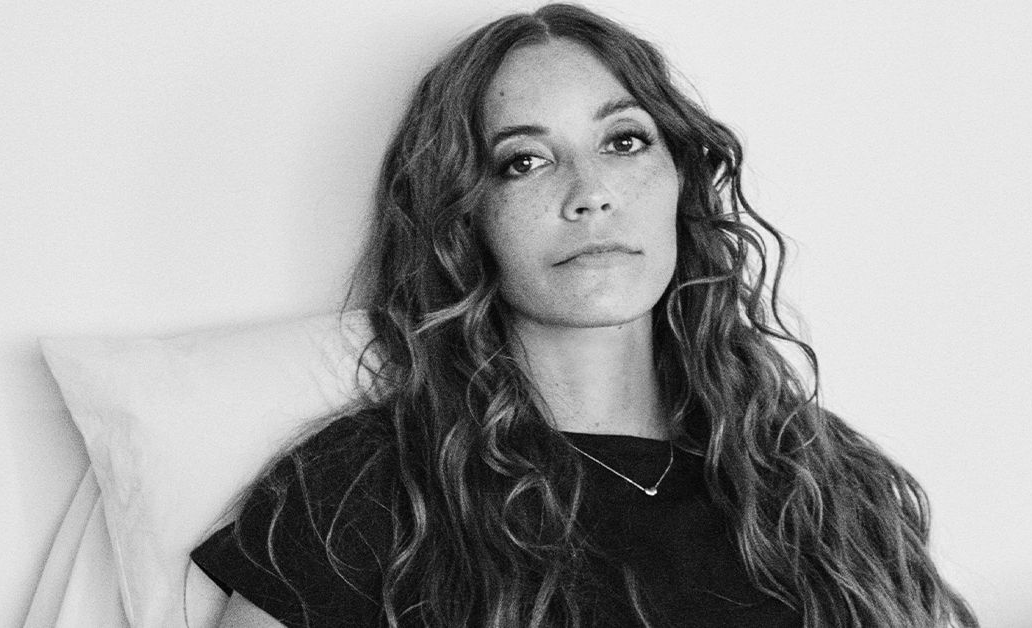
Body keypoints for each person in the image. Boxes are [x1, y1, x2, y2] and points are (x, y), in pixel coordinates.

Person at [190, 4, 978, 627]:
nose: (590, 192)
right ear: (465, 219)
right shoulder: (369, 491)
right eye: (524, 161)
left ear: (680, 179)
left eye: (624, 142)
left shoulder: (820, 477)